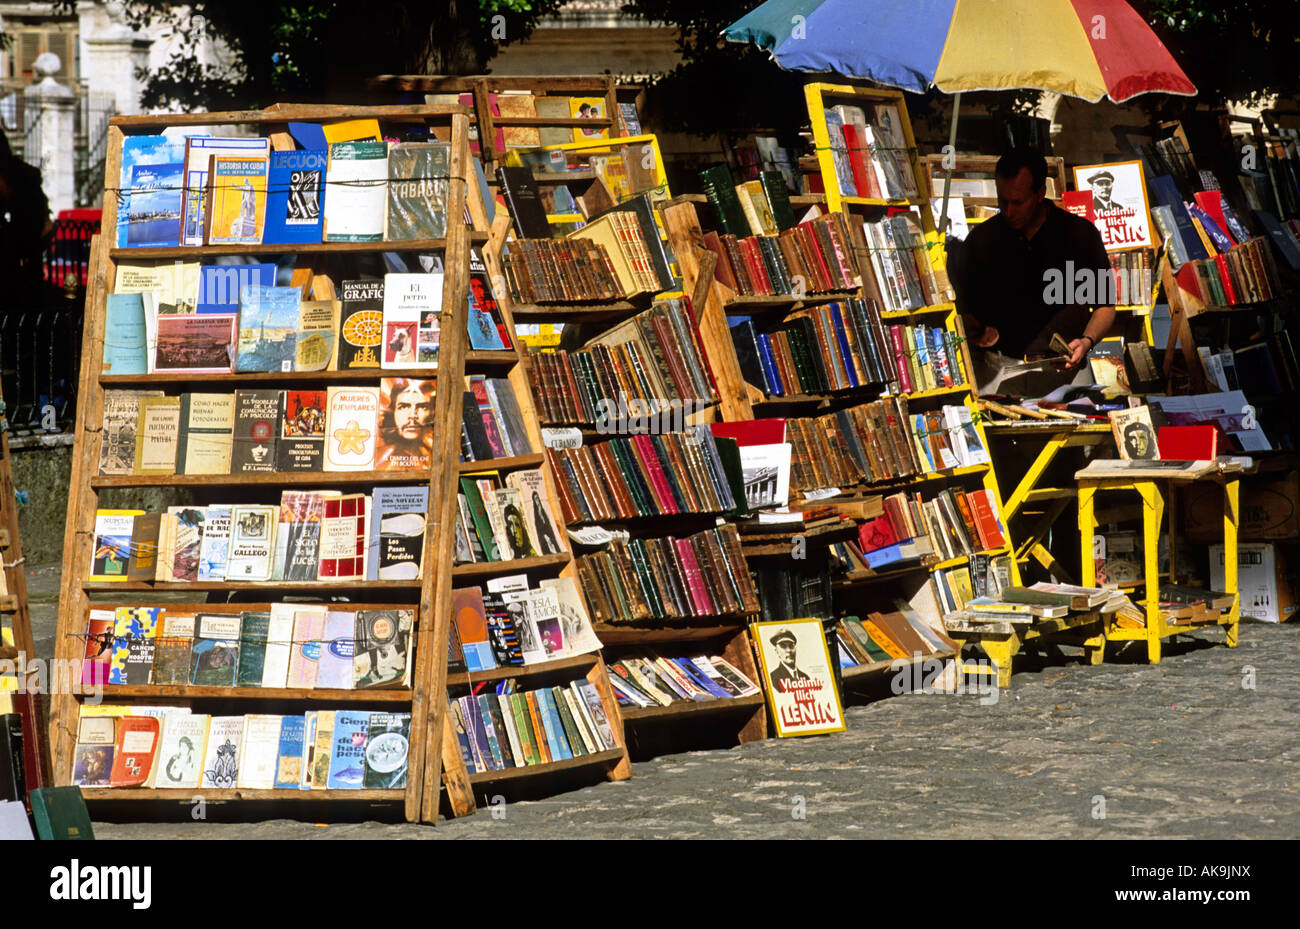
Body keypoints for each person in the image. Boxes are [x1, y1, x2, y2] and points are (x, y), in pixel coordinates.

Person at [952, 148, 1116, 397]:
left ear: (1040, 193)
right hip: (998, 370)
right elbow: (962, 309)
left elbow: (1105, 307)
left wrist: (1086, 342)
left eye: (1018, 202)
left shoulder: (1079, 234)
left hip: (1064, 373)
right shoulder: (982, 239)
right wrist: (974, 329)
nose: (1008, 211)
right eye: (1002, 200)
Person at [375, 378, 433, 468]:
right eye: (403, 407)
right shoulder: (380, 457)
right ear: (392, 411)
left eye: (422, 407)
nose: (412, 415)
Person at [767, 628, 812, 694]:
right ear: (776, 651)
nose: (788, 650)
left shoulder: (805, 677)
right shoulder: (773, 678)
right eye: (783, 646)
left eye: (791, 646)